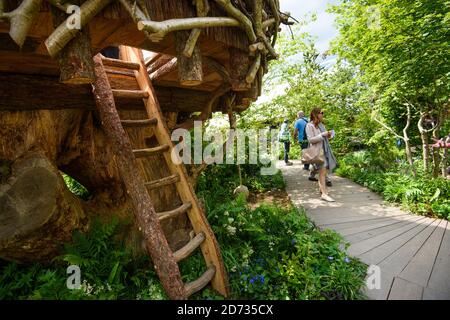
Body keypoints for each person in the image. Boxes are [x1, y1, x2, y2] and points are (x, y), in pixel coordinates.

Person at [305, 108, 337, 202]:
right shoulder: (309, 125)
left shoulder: (320, 125)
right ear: (315, 114)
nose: (322, 115)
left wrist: (329, 135)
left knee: (323, 172)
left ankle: (322, 190)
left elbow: (324, 138)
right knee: (322, 172)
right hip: (316, 152)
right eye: (321, 113)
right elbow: (310, 140)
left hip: (324, 150)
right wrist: (323, 135)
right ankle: (324, 193)